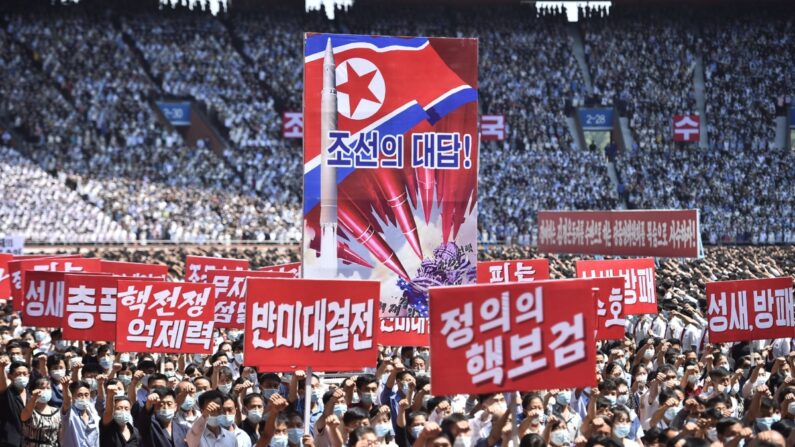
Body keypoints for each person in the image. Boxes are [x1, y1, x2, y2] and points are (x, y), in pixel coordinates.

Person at [20, 376, 60, 447]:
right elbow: (24, 417)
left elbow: (60, 436)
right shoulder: (29, 411)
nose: (45, 391)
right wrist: (34, 398)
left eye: (48, 388)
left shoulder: (57, 412)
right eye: (42, 388)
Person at [61, 378, 101, 447]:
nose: (83, 398)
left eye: (86, 395)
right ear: (73, 397)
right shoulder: (70, 413)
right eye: (79, 395)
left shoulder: (93, 412)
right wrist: (65, 387)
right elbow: (67, 402)